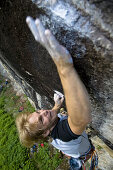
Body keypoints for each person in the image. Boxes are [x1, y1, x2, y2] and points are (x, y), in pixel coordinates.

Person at [16, 16, 97, 170]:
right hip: (84, 152)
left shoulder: (49, 127)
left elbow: (51, 115)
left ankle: (72, 157)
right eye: (40, 119)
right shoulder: (63, 135)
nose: (43, 111)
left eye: (38, 111)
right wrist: (64, 67)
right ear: (46, 132)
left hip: (72, 150)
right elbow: (82, 119)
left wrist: (57, 105)